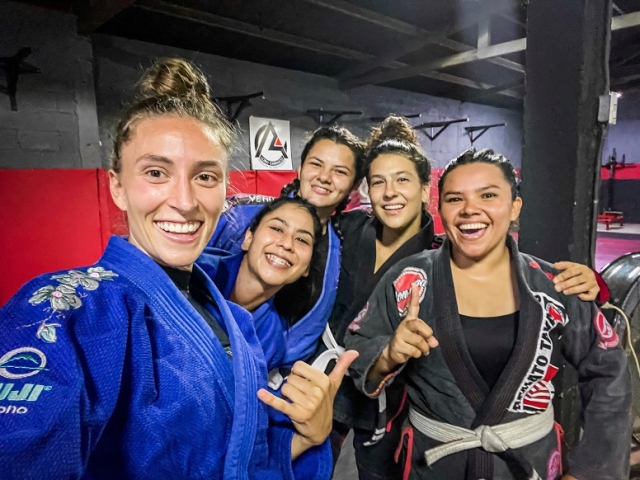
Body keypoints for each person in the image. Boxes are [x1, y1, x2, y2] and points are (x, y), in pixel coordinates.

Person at [0, 57, 356, 479]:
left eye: (205, 177)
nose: (185, 201)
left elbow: (239, 452)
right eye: (156, 172)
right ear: (117, 185)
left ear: (225, 191)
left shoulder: (236, 322)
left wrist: (311, 435)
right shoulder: (69, 309)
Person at [318, 118, 604, 479]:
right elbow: (359, 345)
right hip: (415, 447)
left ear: (515, 207)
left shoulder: (551, 284)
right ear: (442, 207)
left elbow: (608, 371)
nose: (470, 209)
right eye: (456, 198)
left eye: (488, 195)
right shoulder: (367, 243)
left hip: (524, 460)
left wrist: (590, 469)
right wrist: (388, 353)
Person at [199, 125, 366, 372]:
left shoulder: (341, 250)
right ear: (300, 168)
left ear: (354, 186)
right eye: (316, 164)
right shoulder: (240, 215)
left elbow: (308, 333)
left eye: (339, 171)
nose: (324, 177)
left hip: (274, 372)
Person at [199, 196, 325, 370]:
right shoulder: (192, 275)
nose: (287, 244)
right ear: (248, 238)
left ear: (306, 268)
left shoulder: (270, 341)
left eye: (302, 240)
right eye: (277, 228)